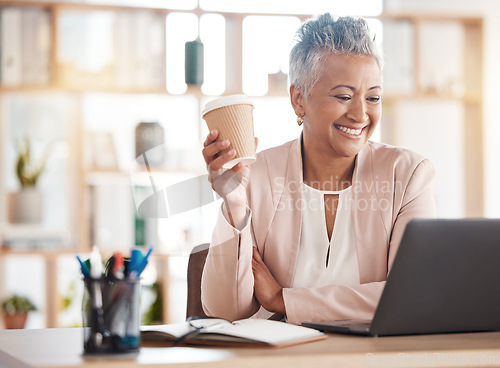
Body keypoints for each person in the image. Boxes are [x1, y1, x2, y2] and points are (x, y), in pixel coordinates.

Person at [200, 13, 436, 325]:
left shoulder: (407, 175)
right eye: (344, 96)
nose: (361, 114)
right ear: (299, 99)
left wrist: (282, 299)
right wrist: (235, 204)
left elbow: (412, 295)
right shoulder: (255, 175)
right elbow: (224, 310)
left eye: (373, 97)